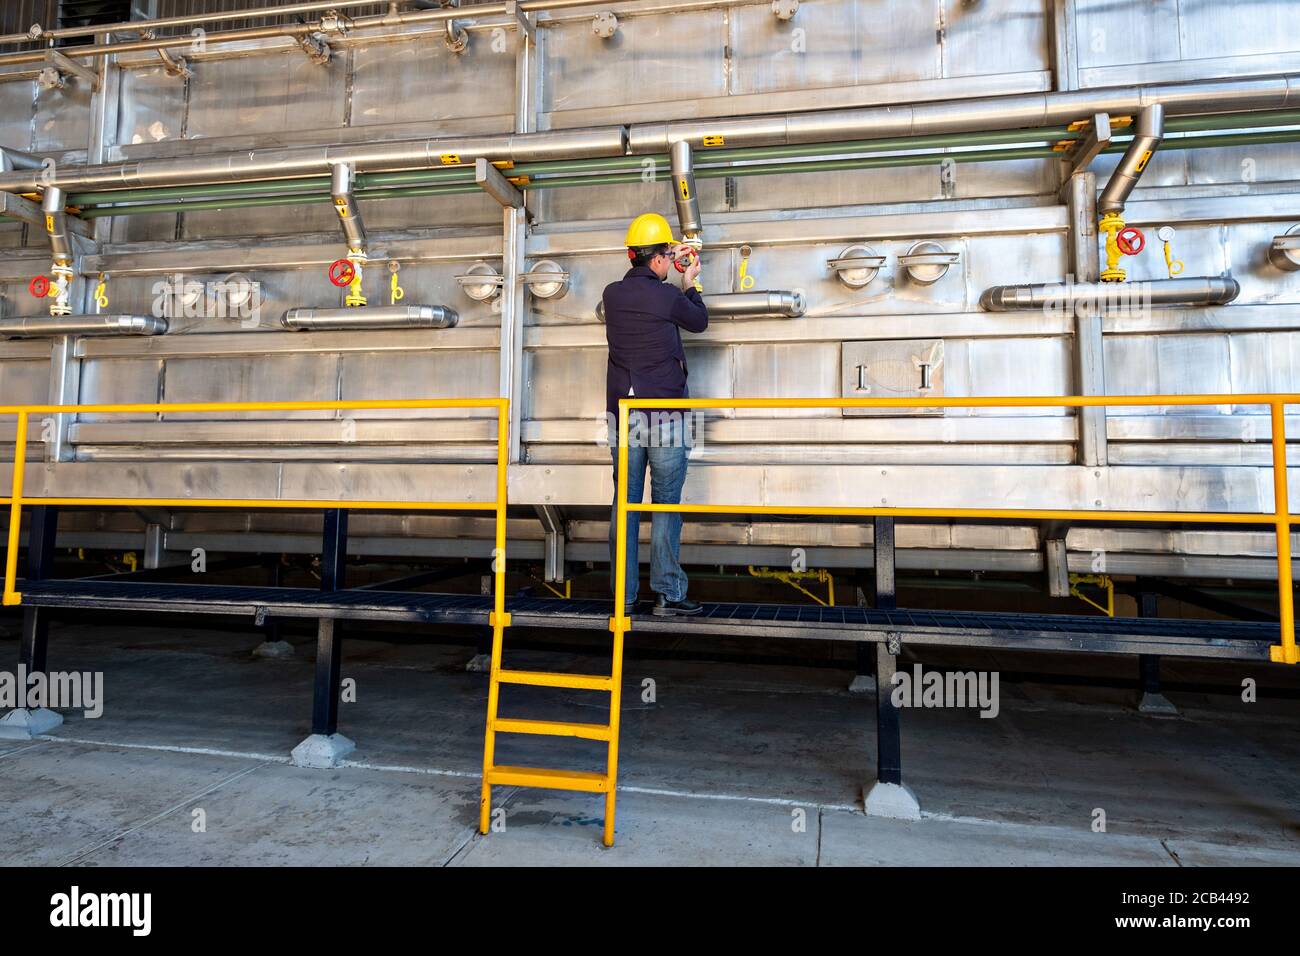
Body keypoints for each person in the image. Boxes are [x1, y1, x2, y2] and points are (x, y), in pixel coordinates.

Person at [603, 212, 708, 616]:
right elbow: (698, 321)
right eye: (667, 254)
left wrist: (672, 256)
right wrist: (691, 281)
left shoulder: (612, 294)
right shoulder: (669, 297)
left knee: (624, 504)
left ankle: (622, 598)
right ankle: (668, 593)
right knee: (665, 503)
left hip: (623, 415)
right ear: (659, 259)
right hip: (663, 414)